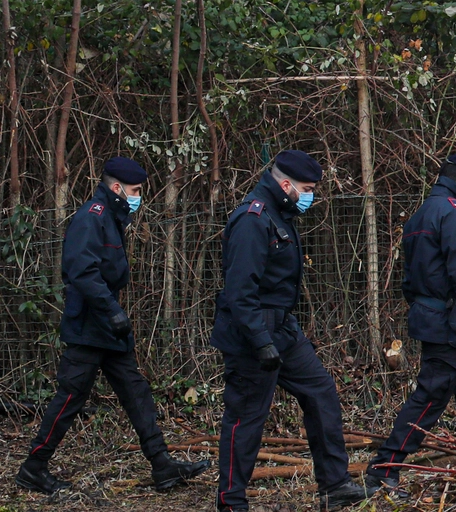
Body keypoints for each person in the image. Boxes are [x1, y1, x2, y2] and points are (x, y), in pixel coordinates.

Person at [15, 157, 209, 494]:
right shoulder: (93, 217)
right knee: (70, 398)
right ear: (116, 188)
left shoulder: (112, 217)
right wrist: (112, 311)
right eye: (135, 191)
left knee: (136, 392)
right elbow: (81, 271)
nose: (138, 197)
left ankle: (162, 466)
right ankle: (33, 467)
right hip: (90, 325)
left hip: (108, 325)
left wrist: (114, 315)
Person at [211, 150, 371, 510]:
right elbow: (240, 291)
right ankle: (231, 501)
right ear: (285, 185)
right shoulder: (254, 219)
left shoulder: (279, 215)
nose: (311, 195)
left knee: (321, 392)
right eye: (308, 188)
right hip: (252, 330)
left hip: (282, 327)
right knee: (246, 416)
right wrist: (259, 340)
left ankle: (334, 485)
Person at [364, 154, 456, 495]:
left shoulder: (421, 214)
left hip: (437, 316)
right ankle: (386, 465)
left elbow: (409, 280)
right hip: (450, 322)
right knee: (433, 393)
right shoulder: (454, 214)